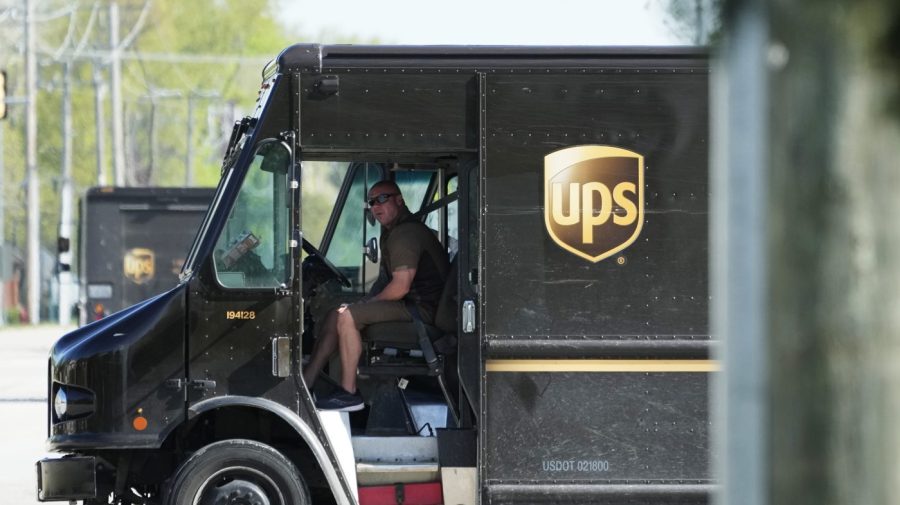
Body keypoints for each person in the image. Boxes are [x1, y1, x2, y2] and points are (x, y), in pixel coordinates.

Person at [303, 180, 450, 411]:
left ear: (399, 200)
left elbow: (401, 286)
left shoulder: (405, 234)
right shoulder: (393, 232)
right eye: (371, 202)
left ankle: (349, 394)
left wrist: (367, 303)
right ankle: (306, 382)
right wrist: (364, 302)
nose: (375, 206)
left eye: (382, 199)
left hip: (420, 312)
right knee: (336, 313)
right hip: (410, 305)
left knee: (347, 317)